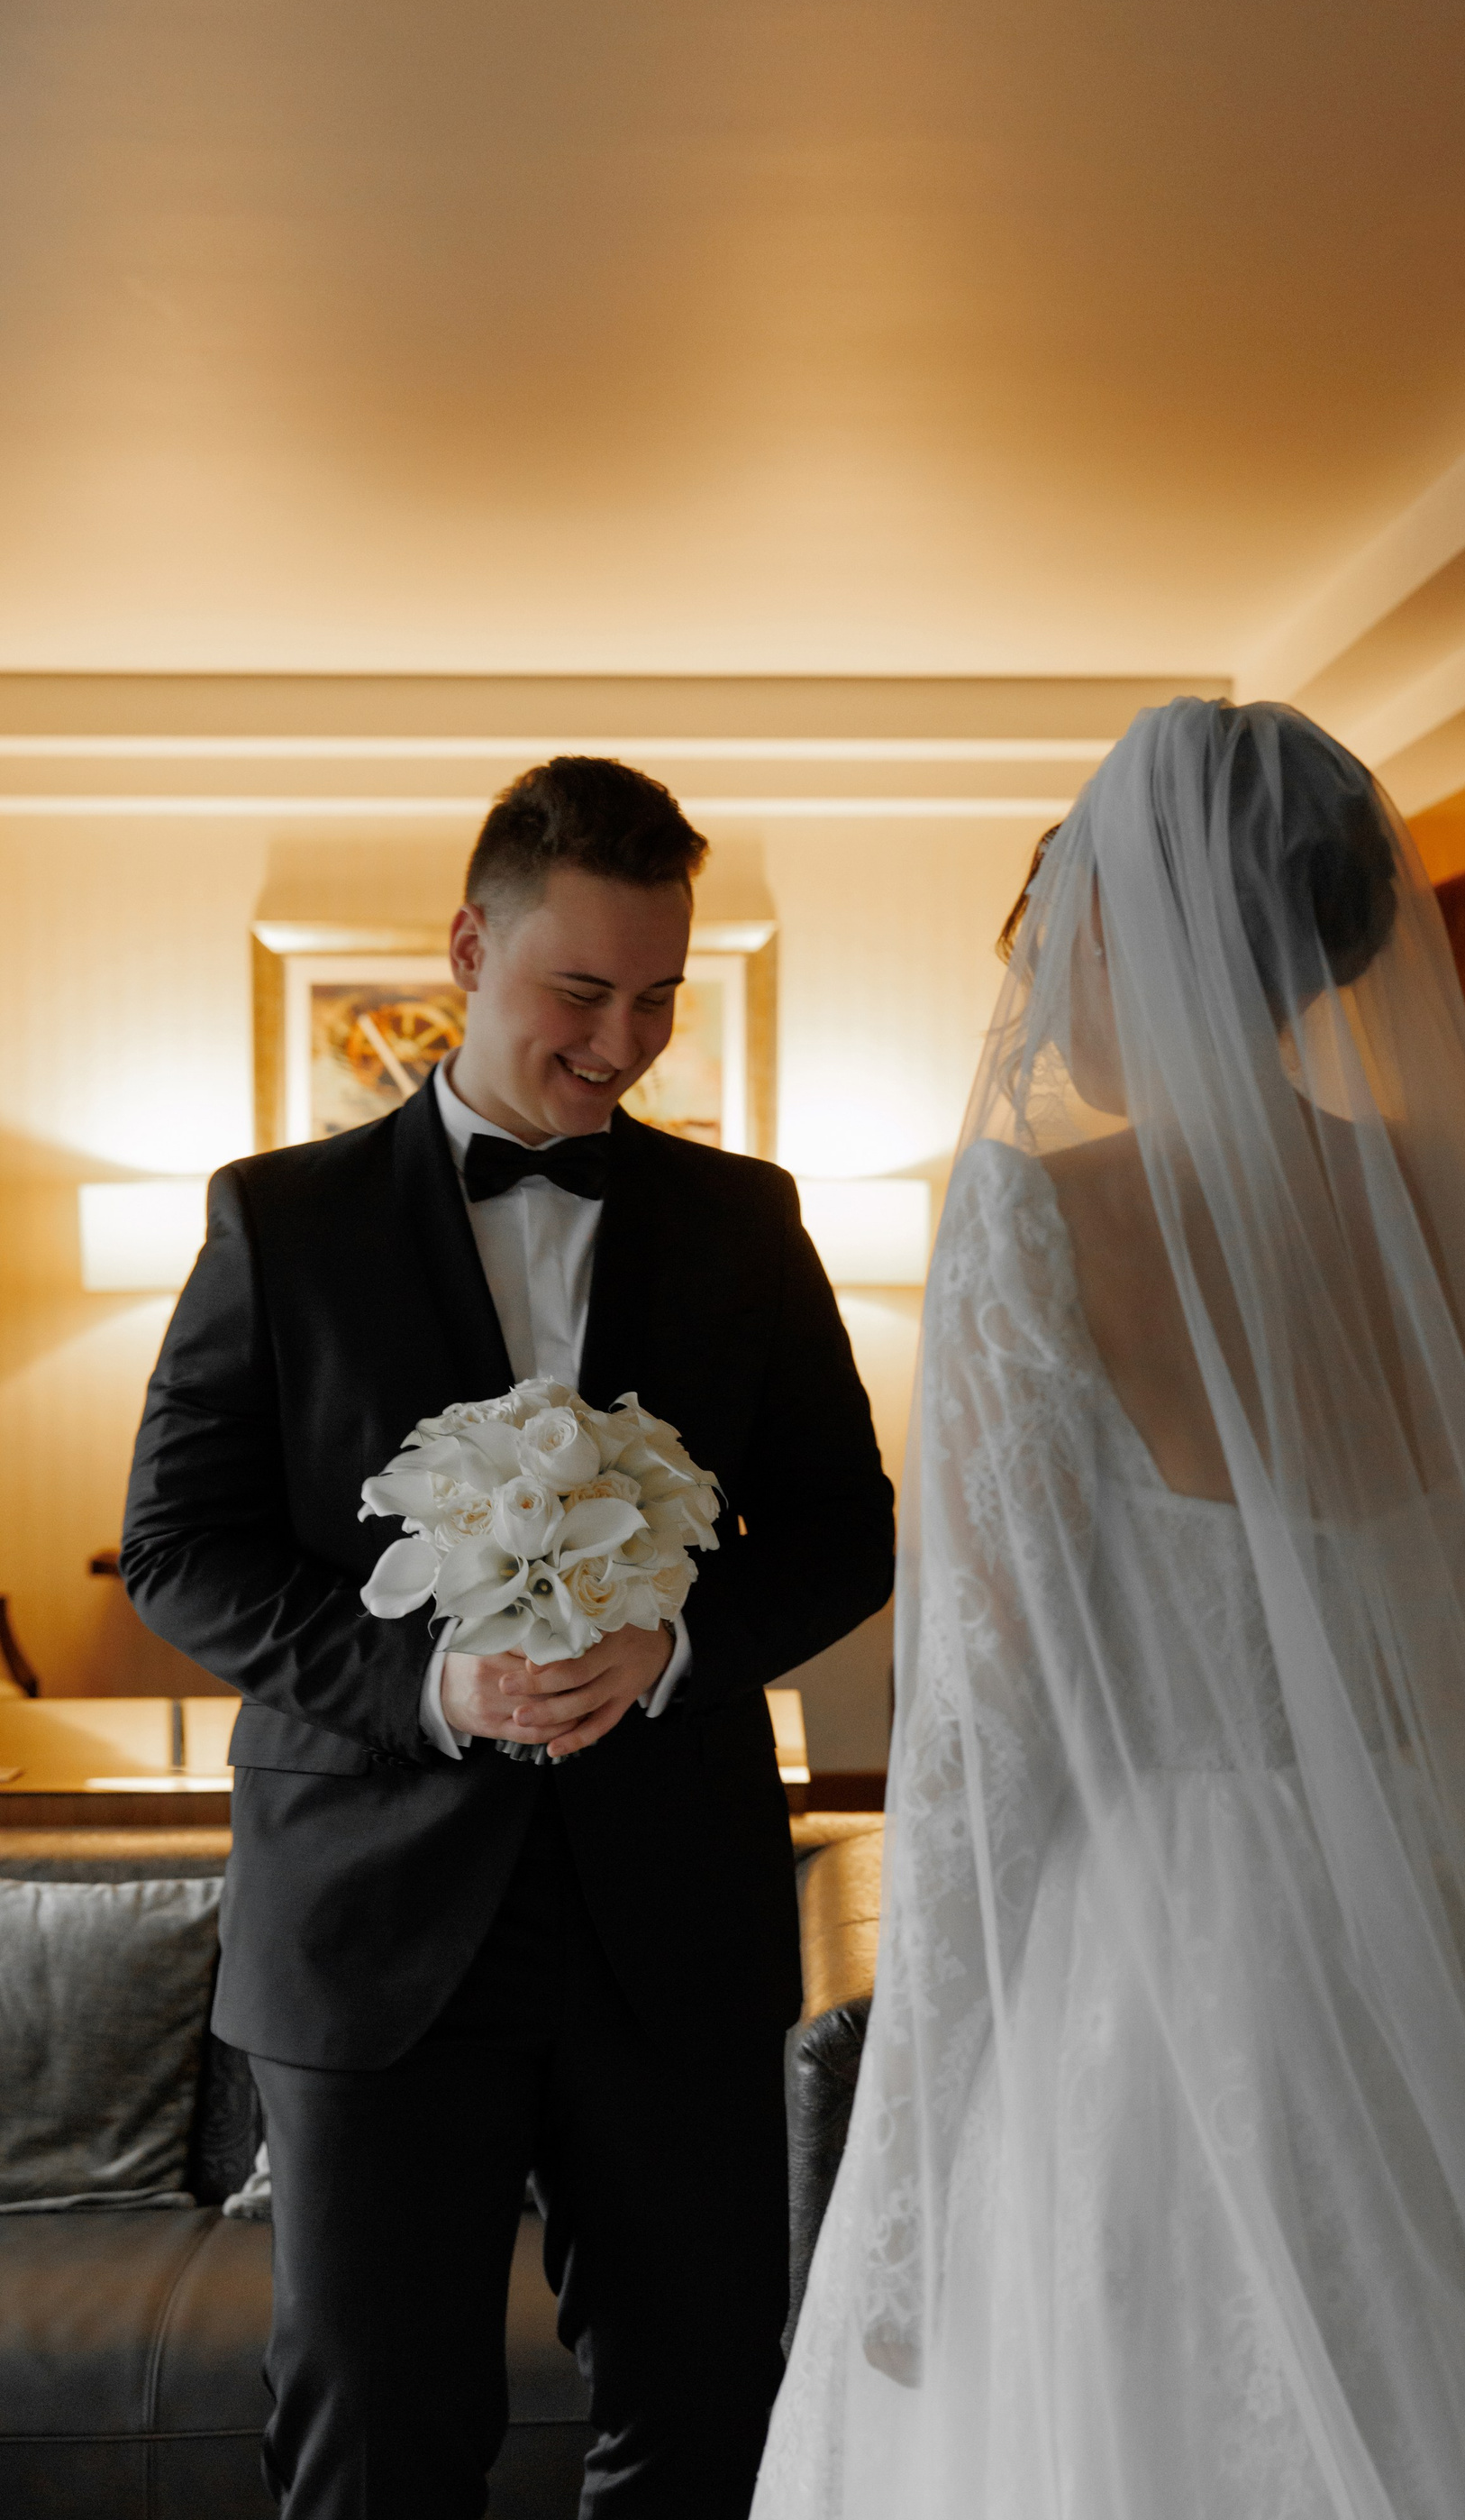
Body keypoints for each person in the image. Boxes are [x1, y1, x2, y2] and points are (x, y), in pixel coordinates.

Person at [753, 700, 1465, 2519]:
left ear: (1137, 929)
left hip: (1163, 1967)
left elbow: (992, 1725)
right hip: (1432, 1907)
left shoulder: (1039, 1217)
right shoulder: (1431, 1203)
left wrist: (908, 2173)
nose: (1045, 959)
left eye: (1070, 912)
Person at [121, 755, 896, 2520]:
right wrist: (426, 1682)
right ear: (472, 949)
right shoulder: (279, 1220)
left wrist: (678, 1646)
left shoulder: (747, 1221)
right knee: (375, 2434)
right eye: (582, 991)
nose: (623, 1043)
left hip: (672, 1922)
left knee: (706, 2413)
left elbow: (846, 1529)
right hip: (372, 1928)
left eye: (659, 998)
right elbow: (177, 1548)